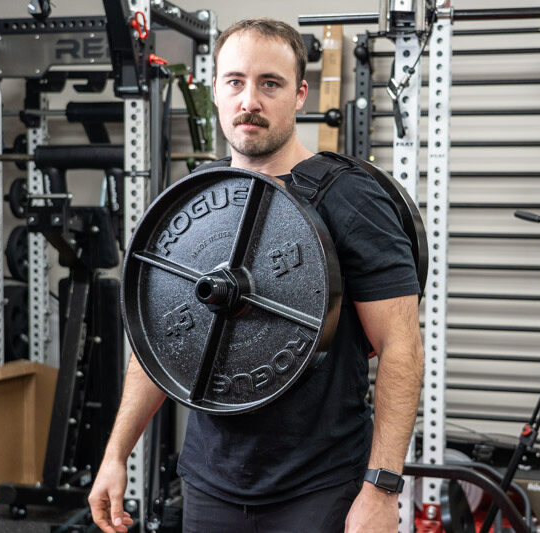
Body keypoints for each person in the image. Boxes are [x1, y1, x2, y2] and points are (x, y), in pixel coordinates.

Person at [88, 18, 424, 533]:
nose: (251, 100)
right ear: (217, 92)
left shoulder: (352, 200)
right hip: (209, 481)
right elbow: (163, 341)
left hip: (321, 486)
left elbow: (401, 347)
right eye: (235, 82)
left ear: (300, 95)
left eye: (271, 83)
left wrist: (381, 488)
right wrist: (116, 455)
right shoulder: (194, 200)